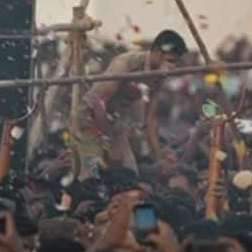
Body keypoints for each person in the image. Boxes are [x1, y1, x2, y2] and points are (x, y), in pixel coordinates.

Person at [72, 30, 187, 179]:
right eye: (170, 61)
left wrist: (158, 159)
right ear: (158, 52)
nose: (173, 67)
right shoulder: (125, 64)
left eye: (176, 62)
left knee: (129, 175)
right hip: (90, 118)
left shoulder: (159, 74)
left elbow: (150, 120)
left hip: (114, 121)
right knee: (91, 176)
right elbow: (97, 103)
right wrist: (110, 144)